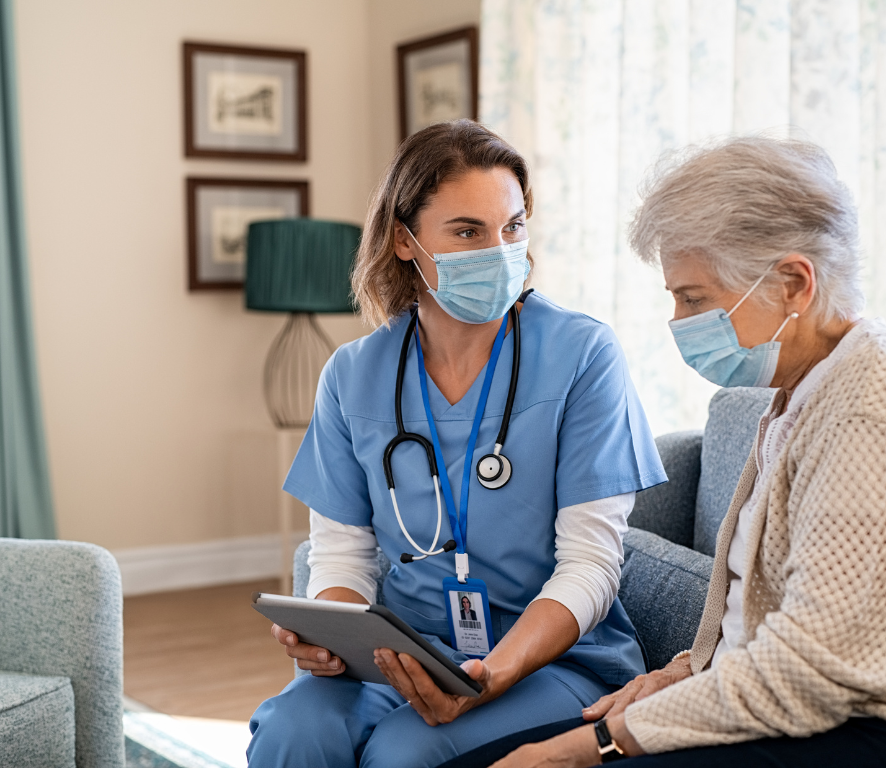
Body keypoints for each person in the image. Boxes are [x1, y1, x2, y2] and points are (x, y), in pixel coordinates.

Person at [450, 136, 886, 768]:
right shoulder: (800, 393)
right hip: (808, 710)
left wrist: (598, 744)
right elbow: (767, 612)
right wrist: (687, 671)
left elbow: (819, 670)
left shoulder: (877, 399)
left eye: (694, 298)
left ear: (794, 283)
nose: (678, 321)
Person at [245, 120, 667, 768]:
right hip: (403, 654)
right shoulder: (355, 375)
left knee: (404, 754)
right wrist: (329, 634)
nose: (500, 250)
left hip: (549, 664)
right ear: (405, 240)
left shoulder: (581, 355)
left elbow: (590, 565)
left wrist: (489, 676)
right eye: (469, 231)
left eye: (513, 227)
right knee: (293, 733)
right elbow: (342, 556)